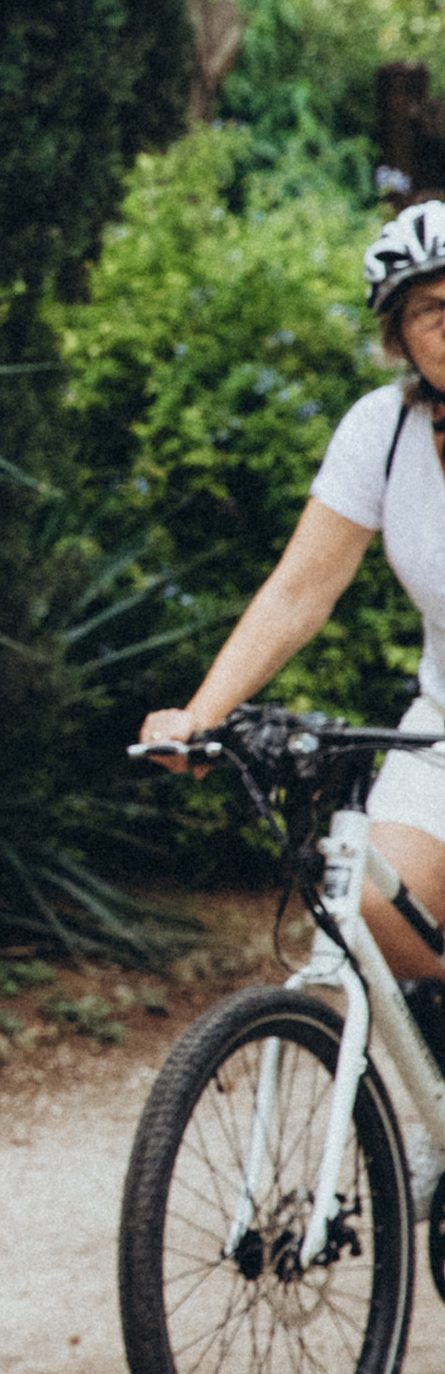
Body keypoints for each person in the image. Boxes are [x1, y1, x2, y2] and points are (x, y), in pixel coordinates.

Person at [139, 199, 445, 1061]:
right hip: (438, 737)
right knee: (365, 913)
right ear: (399, 333)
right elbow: (298, 593)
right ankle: (419, 1128)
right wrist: (201, 714)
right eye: (431, 308)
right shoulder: (383, 432)